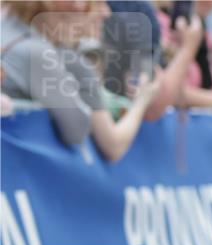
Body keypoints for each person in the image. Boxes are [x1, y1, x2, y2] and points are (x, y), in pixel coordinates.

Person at [1, 0, 161, 161]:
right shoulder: (63, 59)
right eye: (97, 4)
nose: (106, 13)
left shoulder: (17, 34)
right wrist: (143, 100)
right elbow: (83, 133)